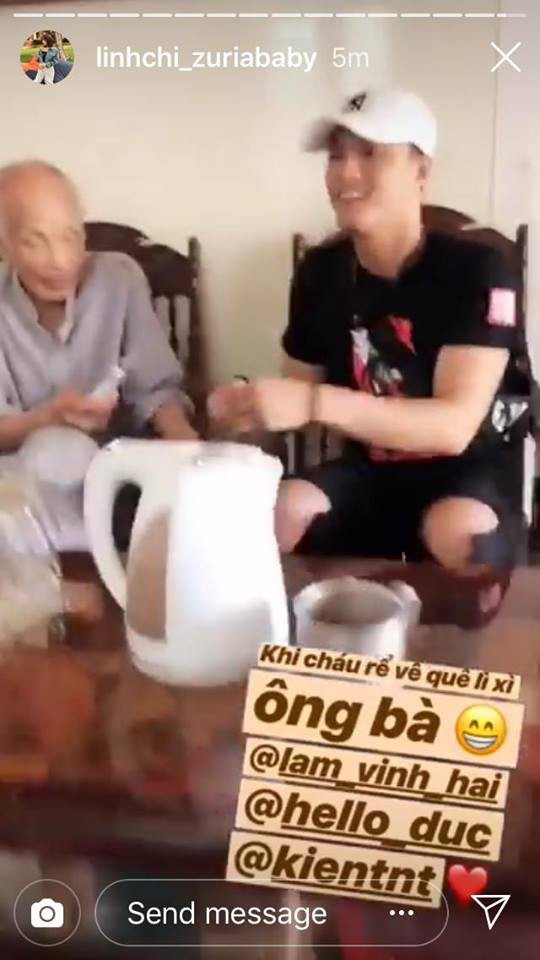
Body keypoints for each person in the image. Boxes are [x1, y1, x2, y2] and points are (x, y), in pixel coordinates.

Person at [210, 89, 532, 570]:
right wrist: (247, 407)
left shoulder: (481, 270)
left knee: (458, 530)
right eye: (336, 156)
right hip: (371, 470)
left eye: (369, 153)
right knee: (283, 510)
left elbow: (453, 428)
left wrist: (313, 403)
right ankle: (312, 621)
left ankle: (460, 624)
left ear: (421, 171)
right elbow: (298, 389)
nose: (346, 173)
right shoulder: (321, 271)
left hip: (471, 472)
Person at [0, 160, 197, 547]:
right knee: (52, 450)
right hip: (19, 482)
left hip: (115, 479)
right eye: (34, 241)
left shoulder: (119, 278)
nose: (59, 260)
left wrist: (187, 446)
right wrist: (48, 417)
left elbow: (156, 389)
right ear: (4, 243)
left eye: (70, 236)